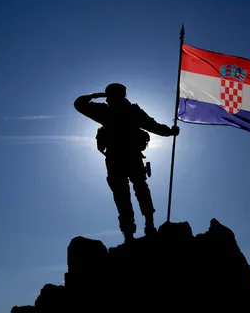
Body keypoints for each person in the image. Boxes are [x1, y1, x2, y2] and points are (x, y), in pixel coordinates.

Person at [74, 83, 179, 243]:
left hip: (127, 157)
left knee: (134, 191)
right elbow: (79, 104)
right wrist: (98, 95)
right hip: (119, 158)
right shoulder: (107, 111)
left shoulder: (125, 111)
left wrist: (169, 132)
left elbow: (153, 126)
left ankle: (144, 228)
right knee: (126, 194)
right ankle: (133, 232)